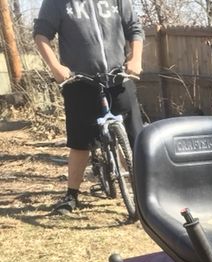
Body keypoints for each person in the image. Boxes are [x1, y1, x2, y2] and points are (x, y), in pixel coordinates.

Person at [33, 0, 144, 214]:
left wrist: (135, 58)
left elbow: (134, 27)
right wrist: (56, 67)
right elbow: (41, 34)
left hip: (118, 77)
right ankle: (71, 195)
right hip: (79, 81)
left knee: (135, 138)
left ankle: (145, 188)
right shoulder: (57, 3)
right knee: (80, 142)